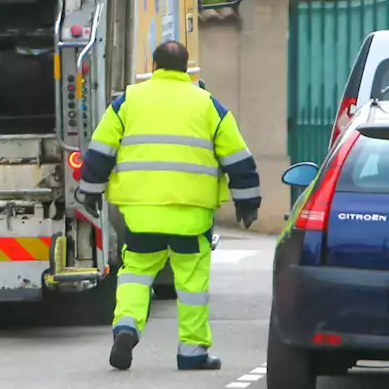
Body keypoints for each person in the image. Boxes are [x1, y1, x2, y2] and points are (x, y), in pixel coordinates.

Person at [77, 40, 261, 372]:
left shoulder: (129, 101)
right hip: (191, 214)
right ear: (186, 67)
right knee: (191, 285)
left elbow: (100, 150)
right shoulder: (207, 105)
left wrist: (90, 191)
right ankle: (192, 353)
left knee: (136, 272)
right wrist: (247, 203)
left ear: (156, 65)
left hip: (141, 212)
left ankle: (127, 327)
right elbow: (238, 158)